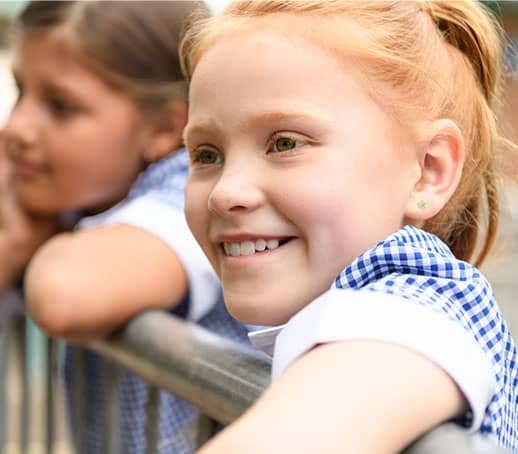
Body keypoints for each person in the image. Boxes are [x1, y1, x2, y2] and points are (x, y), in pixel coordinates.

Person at [180, 0, 518, 452]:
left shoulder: (417, 308)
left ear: (428, 170)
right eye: (207, 155)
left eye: (285, 143)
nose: (225, 192)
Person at [1, 1, 250, 453]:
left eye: (60, 106)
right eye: (21, 92)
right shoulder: (84, 197)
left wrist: (24, 240)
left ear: (162, 129)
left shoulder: (194, 191)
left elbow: (64, 293)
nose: (17, 128)